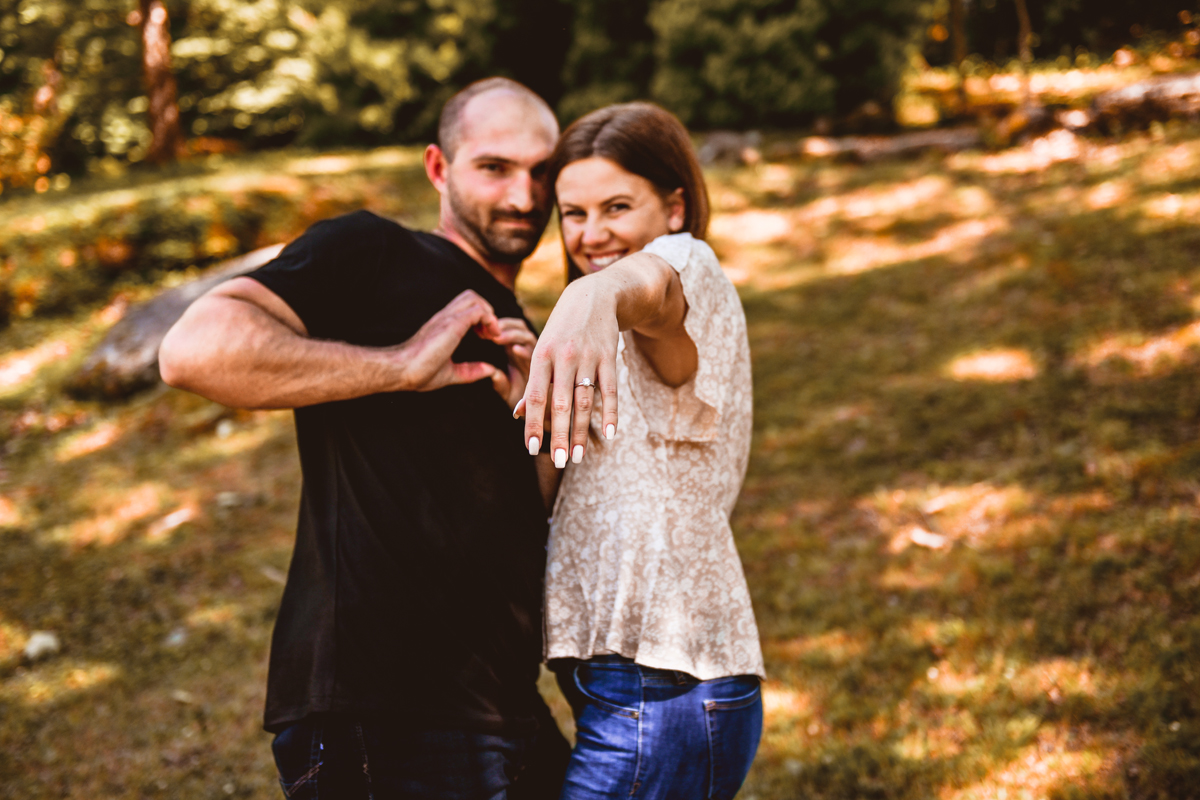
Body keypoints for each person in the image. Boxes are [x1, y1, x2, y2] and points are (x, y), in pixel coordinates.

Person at [159, 77, 570, 799]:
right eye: (495, 167)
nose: (524, 196)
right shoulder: (373, 251)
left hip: (501, 705)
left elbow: (530, 520)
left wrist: (537, 415)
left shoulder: (519, 326)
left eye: (542, 171)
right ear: (439, 168)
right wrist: (398, 366)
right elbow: (194, 349)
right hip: (386, 710)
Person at [517, 103, 764, 799]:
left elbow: (651, 288)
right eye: (573, 213)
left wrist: (593, 291)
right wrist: (530, 378)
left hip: (666, 685)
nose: (593, 234)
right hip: (620, 678)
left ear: (675, 206)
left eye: (617, 206)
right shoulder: (603, 340)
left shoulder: (688, 268)